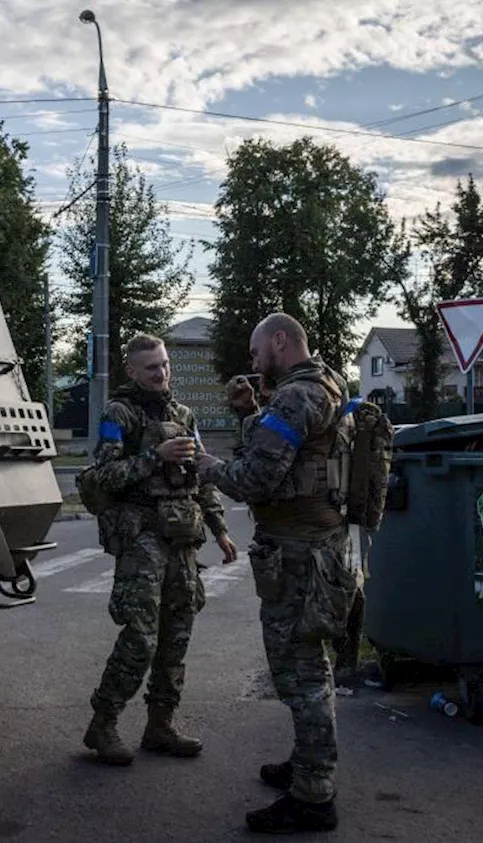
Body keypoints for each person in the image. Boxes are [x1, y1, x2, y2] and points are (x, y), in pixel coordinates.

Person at [196, 312, 359, 834]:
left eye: (255, 351)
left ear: (280, 342)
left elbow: (255, 480)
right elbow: (295, 453)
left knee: (302, 674)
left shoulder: (295, 397)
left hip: (299, 558)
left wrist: (206, 466)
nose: (251, 361)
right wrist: (253, 411)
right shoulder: (328, 383)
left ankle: (314, 796)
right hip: (322, 549)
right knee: (310, 665)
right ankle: (309, 763)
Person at [81, 332, 239, 767]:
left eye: (165, 364)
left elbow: (200, 477)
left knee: (176, 637)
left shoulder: (184, 415)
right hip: (141, 541)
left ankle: (160, 724)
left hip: (183, 539)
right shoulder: (119, 413)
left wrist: (221, 530)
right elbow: (104, 474)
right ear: (132, 371)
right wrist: (155, 455)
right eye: (152, 367)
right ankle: (104, 723)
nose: (162, 373)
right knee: (140, 639)